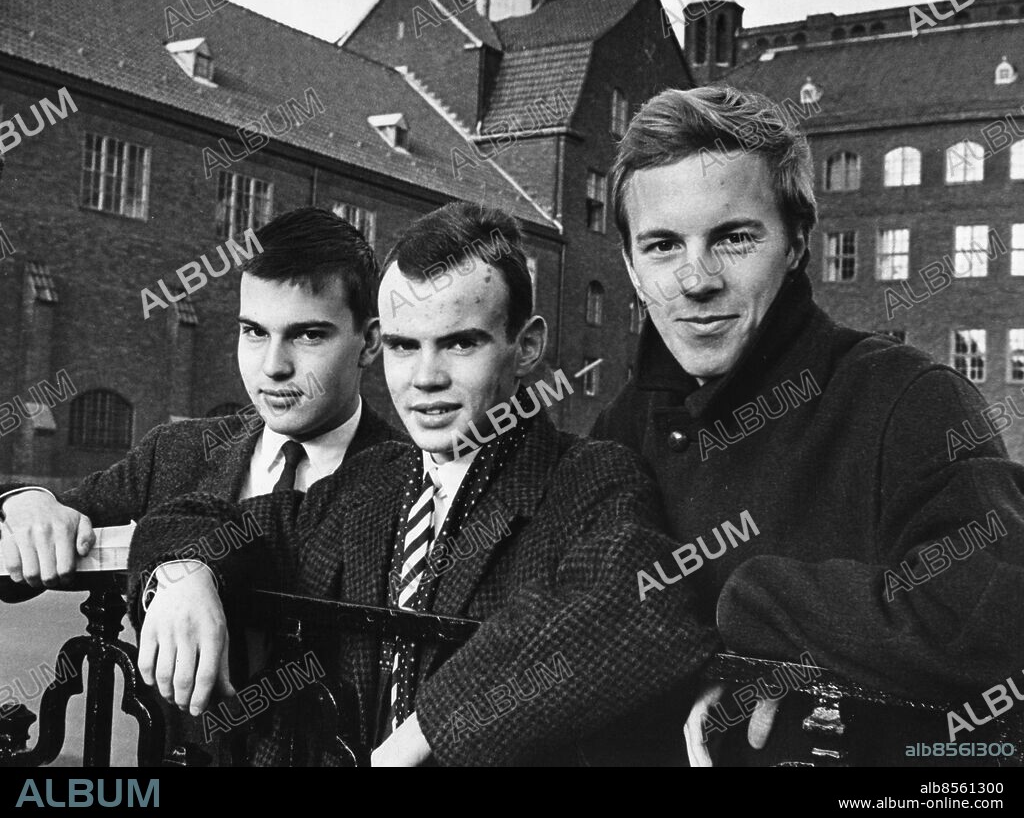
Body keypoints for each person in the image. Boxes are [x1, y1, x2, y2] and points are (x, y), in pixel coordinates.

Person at [126, 201, 718, 766]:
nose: (426, 379)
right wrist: (183, 574)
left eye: (461, 343)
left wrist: (427, 731)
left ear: (527, 345)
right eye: (406, 347)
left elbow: (645, 605)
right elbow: (206, 518)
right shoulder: (368, 481)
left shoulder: (589, 479)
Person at [591, 85, 1024, 765]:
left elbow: (991, 619)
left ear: (796, 242)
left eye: (734, 237)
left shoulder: (908, 400)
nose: (695, 278)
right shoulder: (623, 424)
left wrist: (759, 608)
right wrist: (714, 667)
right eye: (662, 245)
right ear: (629, 264)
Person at [0, 206, 401, 760]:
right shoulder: (180, 451)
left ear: (370, 341)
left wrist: (186, 564)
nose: (272, 366)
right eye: (253, 332)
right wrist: (26, 503)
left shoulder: (410, 477)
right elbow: (32, 553)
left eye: (308, 335)